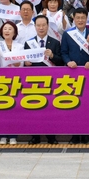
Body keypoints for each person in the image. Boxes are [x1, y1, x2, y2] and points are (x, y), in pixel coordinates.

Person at [23, 15, 63, 145]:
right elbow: (24, 61)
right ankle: (35, 136)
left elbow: (61, 62)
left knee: (50, 111)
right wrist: (26, 62)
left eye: (43, 25)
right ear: (35, 27)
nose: (41, 28)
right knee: (34, 110)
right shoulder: (28, 43)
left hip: (51, 81)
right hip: (34, 81)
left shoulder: (55, 42)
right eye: (38, 25)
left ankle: (51, 137)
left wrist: (52, 56)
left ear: (47, 26)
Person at [61, 9, 89, 144]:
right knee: (73, 106)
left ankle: (86, 135)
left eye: (83, 18)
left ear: (86, 19)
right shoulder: (67, 34)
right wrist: (68, 61)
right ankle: (74, 135)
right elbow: (63, 52)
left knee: (87, 106)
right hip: (72, 74)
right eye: (78, 18)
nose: (80, 20)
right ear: (74, 19)